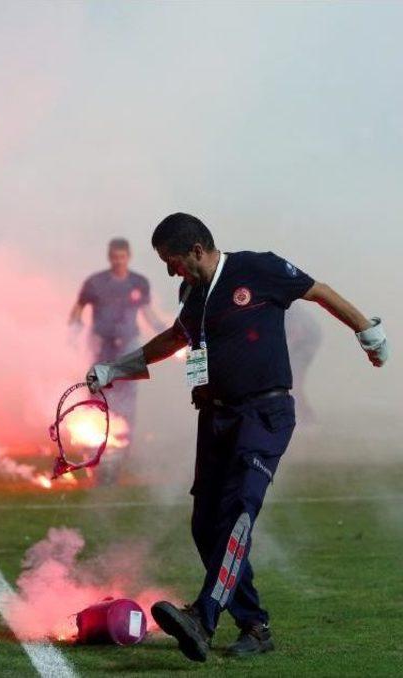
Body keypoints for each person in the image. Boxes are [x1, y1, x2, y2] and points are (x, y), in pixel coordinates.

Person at [86, 213, 388, 662]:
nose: (171, 272)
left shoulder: (257, 269)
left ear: (196, 250)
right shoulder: (195, 295)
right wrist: (114, 369)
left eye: (172, 261)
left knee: (237, 514)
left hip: (263, 414)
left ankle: (202, 618)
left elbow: (318, 291)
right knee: (205, 524)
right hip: (215, 418)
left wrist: (368, 330)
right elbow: (172, 339)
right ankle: (254, 625)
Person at [69, 238, 165, 482]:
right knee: (97, 394)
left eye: (122, 257)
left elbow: (147, 312)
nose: (118, 261)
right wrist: (73, 331)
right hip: (101, 345)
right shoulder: (95, 282)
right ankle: (93, 448)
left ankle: (121, 451)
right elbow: (78, 307)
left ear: (128, 256)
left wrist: (165, 331)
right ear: (109, 256)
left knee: (127, 399)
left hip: (129, 347)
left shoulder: (139, 283)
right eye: (114, 257)